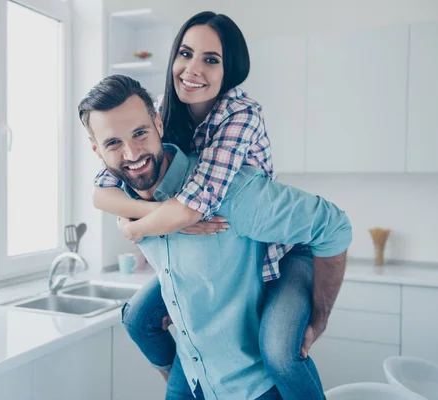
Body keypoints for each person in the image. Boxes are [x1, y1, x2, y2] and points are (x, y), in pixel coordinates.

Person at [90, 11, 336, 400]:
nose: (192, 69)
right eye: (185, 53)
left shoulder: (240, 114)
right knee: (139, 319)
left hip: (275, 252)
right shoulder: (160, 111)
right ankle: (193, 380)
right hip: (219, 253)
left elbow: (195, 206)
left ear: (230, 70)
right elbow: (104, 190)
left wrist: (137, 227)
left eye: (211, 59)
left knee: (280, 353)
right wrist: (160, 218)